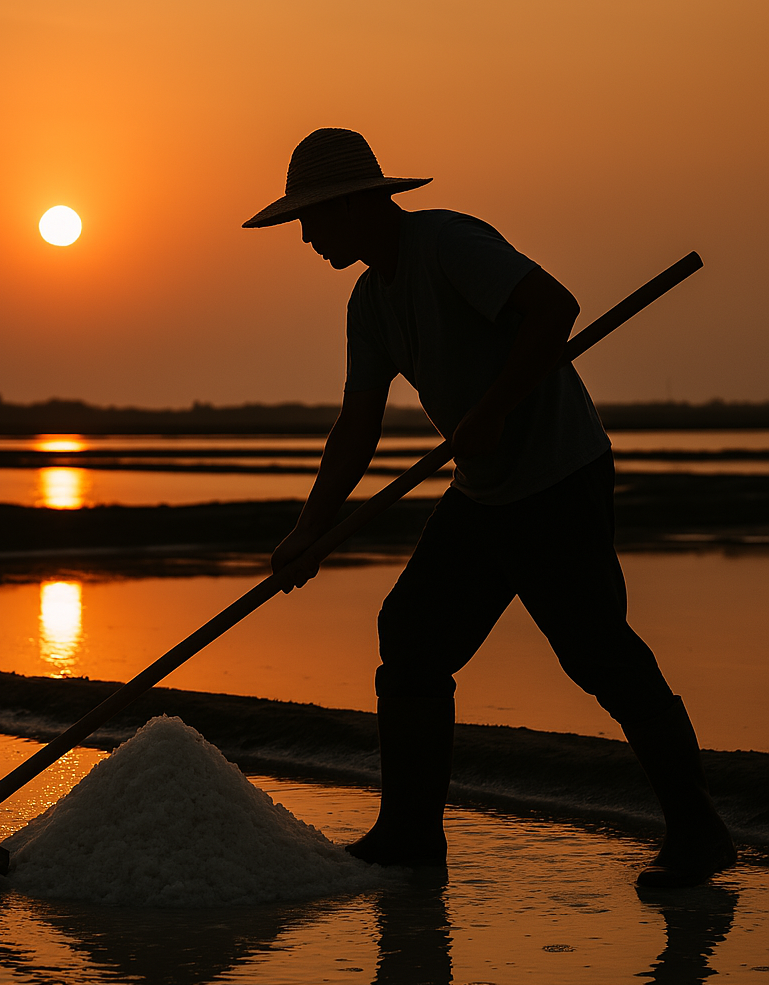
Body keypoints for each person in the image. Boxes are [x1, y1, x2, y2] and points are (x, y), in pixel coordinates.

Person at [242, 127, 735, 888]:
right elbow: (357, 423)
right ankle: (410, 837)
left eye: (311, 217)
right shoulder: (370, 302)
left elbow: (554, 308)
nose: (305, 234)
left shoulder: (447, 243)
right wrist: (312, 528)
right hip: (485, 490)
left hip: (557, 474)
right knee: (410, 635)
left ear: (349, 206)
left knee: (599, 653)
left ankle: (699, 831)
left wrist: (496, 409)